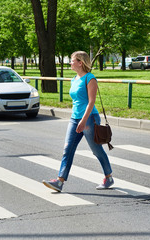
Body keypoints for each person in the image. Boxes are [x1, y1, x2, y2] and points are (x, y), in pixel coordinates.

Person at [42, 51, 114, 192]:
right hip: (75, 119)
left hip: (89, 118)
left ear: (80, 62)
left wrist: (84, 120)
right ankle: (60, 181)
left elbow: (91, 102)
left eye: (72, 60)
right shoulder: (74, 79)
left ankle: (108, 177)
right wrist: (78, 119)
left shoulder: (90, 78)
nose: (70, 63)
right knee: (67, 149)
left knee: (96, 150)